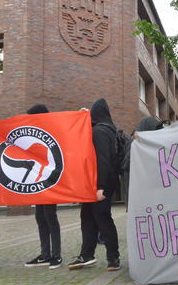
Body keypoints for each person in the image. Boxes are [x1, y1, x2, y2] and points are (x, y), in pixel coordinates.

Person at [68, 99, 120, 271]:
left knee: (101, 218)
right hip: (102, 181)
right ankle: (87, 255)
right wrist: (81, 116)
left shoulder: (99, 132)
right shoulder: (108, 129)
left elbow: (102, 161)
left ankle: (113, 258)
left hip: (100, 183)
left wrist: (101, 187)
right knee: (88, 217)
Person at [24, 104, 62, 269]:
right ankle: (45, 254)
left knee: (50, 216)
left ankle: (56, 255)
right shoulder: (34, 131)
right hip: (38, 181)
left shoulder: (53, 129)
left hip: (50, 180)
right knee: (40, 216)